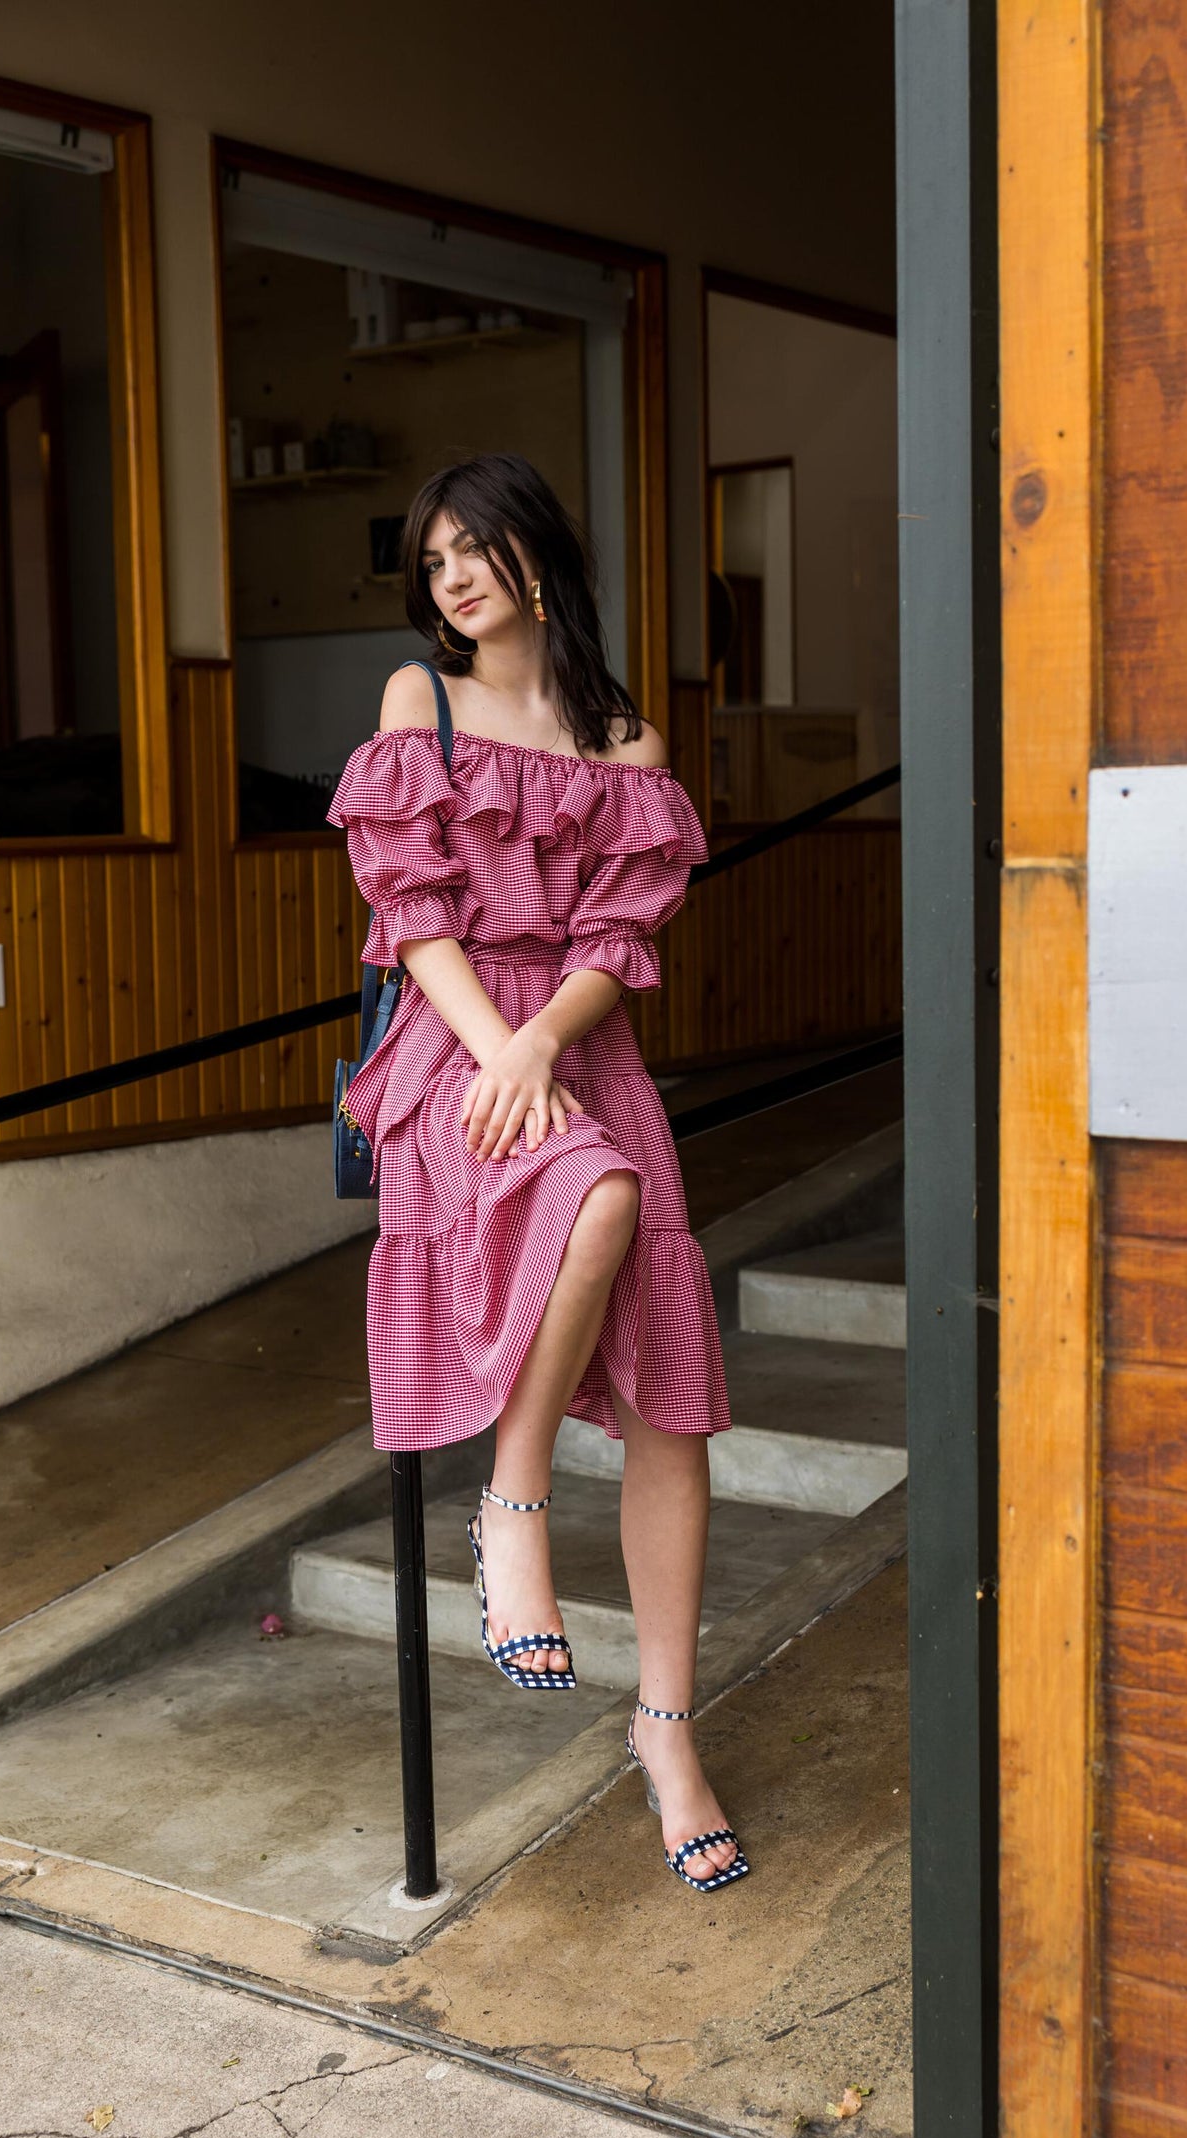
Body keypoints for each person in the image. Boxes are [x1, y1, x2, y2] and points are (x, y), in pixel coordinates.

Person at [326, 453, 747, 1892]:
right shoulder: (417, 702)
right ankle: (511, 1501)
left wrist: (547, 1044)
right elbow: (413, 909)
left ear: (536, 558)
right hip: (458, 1049)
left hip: (580, 1041)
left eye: (472, 549)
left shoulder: (620, 736)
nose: (449, 577)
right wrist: (501, 1053)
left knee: (669, 1408)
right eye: (431, 558)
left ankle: (668, 1734)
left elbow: (620, 944)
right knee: (602, 1194)